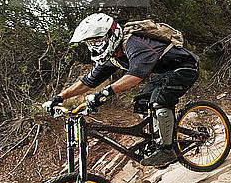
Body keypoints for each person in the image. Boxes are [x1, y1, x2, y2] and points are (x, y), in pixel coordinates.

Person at [42, 13, 199, 166]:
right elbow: (88, 82)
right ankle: (161, 138)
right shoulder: (113, 55)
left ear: (112, 34)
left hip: (184, 67)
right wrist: (59, 98)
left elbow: (135, 76)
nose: (95, 47)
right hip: (166, 73)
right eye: (91, 44)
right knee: (142, 102)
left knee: (160, 101)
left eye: (97, 42)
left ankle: (167, 149)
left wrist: (106, 92)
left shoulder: (134, 44)